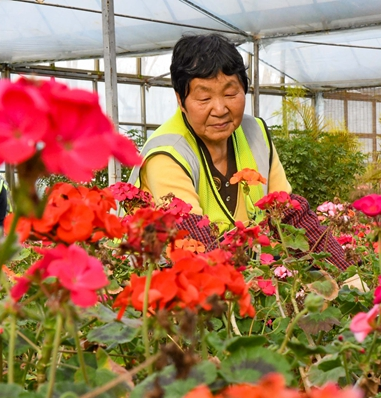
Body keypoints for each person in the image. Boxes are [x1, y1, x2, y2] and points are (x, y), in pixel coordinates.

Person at [130, 33, 354, 273]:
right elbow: (191, 239)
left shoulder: (254, 132)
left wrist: (349, 275)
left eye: (230, 94)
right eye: (204, 97)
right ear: (180, 100)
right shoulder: (167, 152)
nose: (220, 109)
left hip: (244, 271)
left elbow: (289, 216)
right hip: (163, 283)